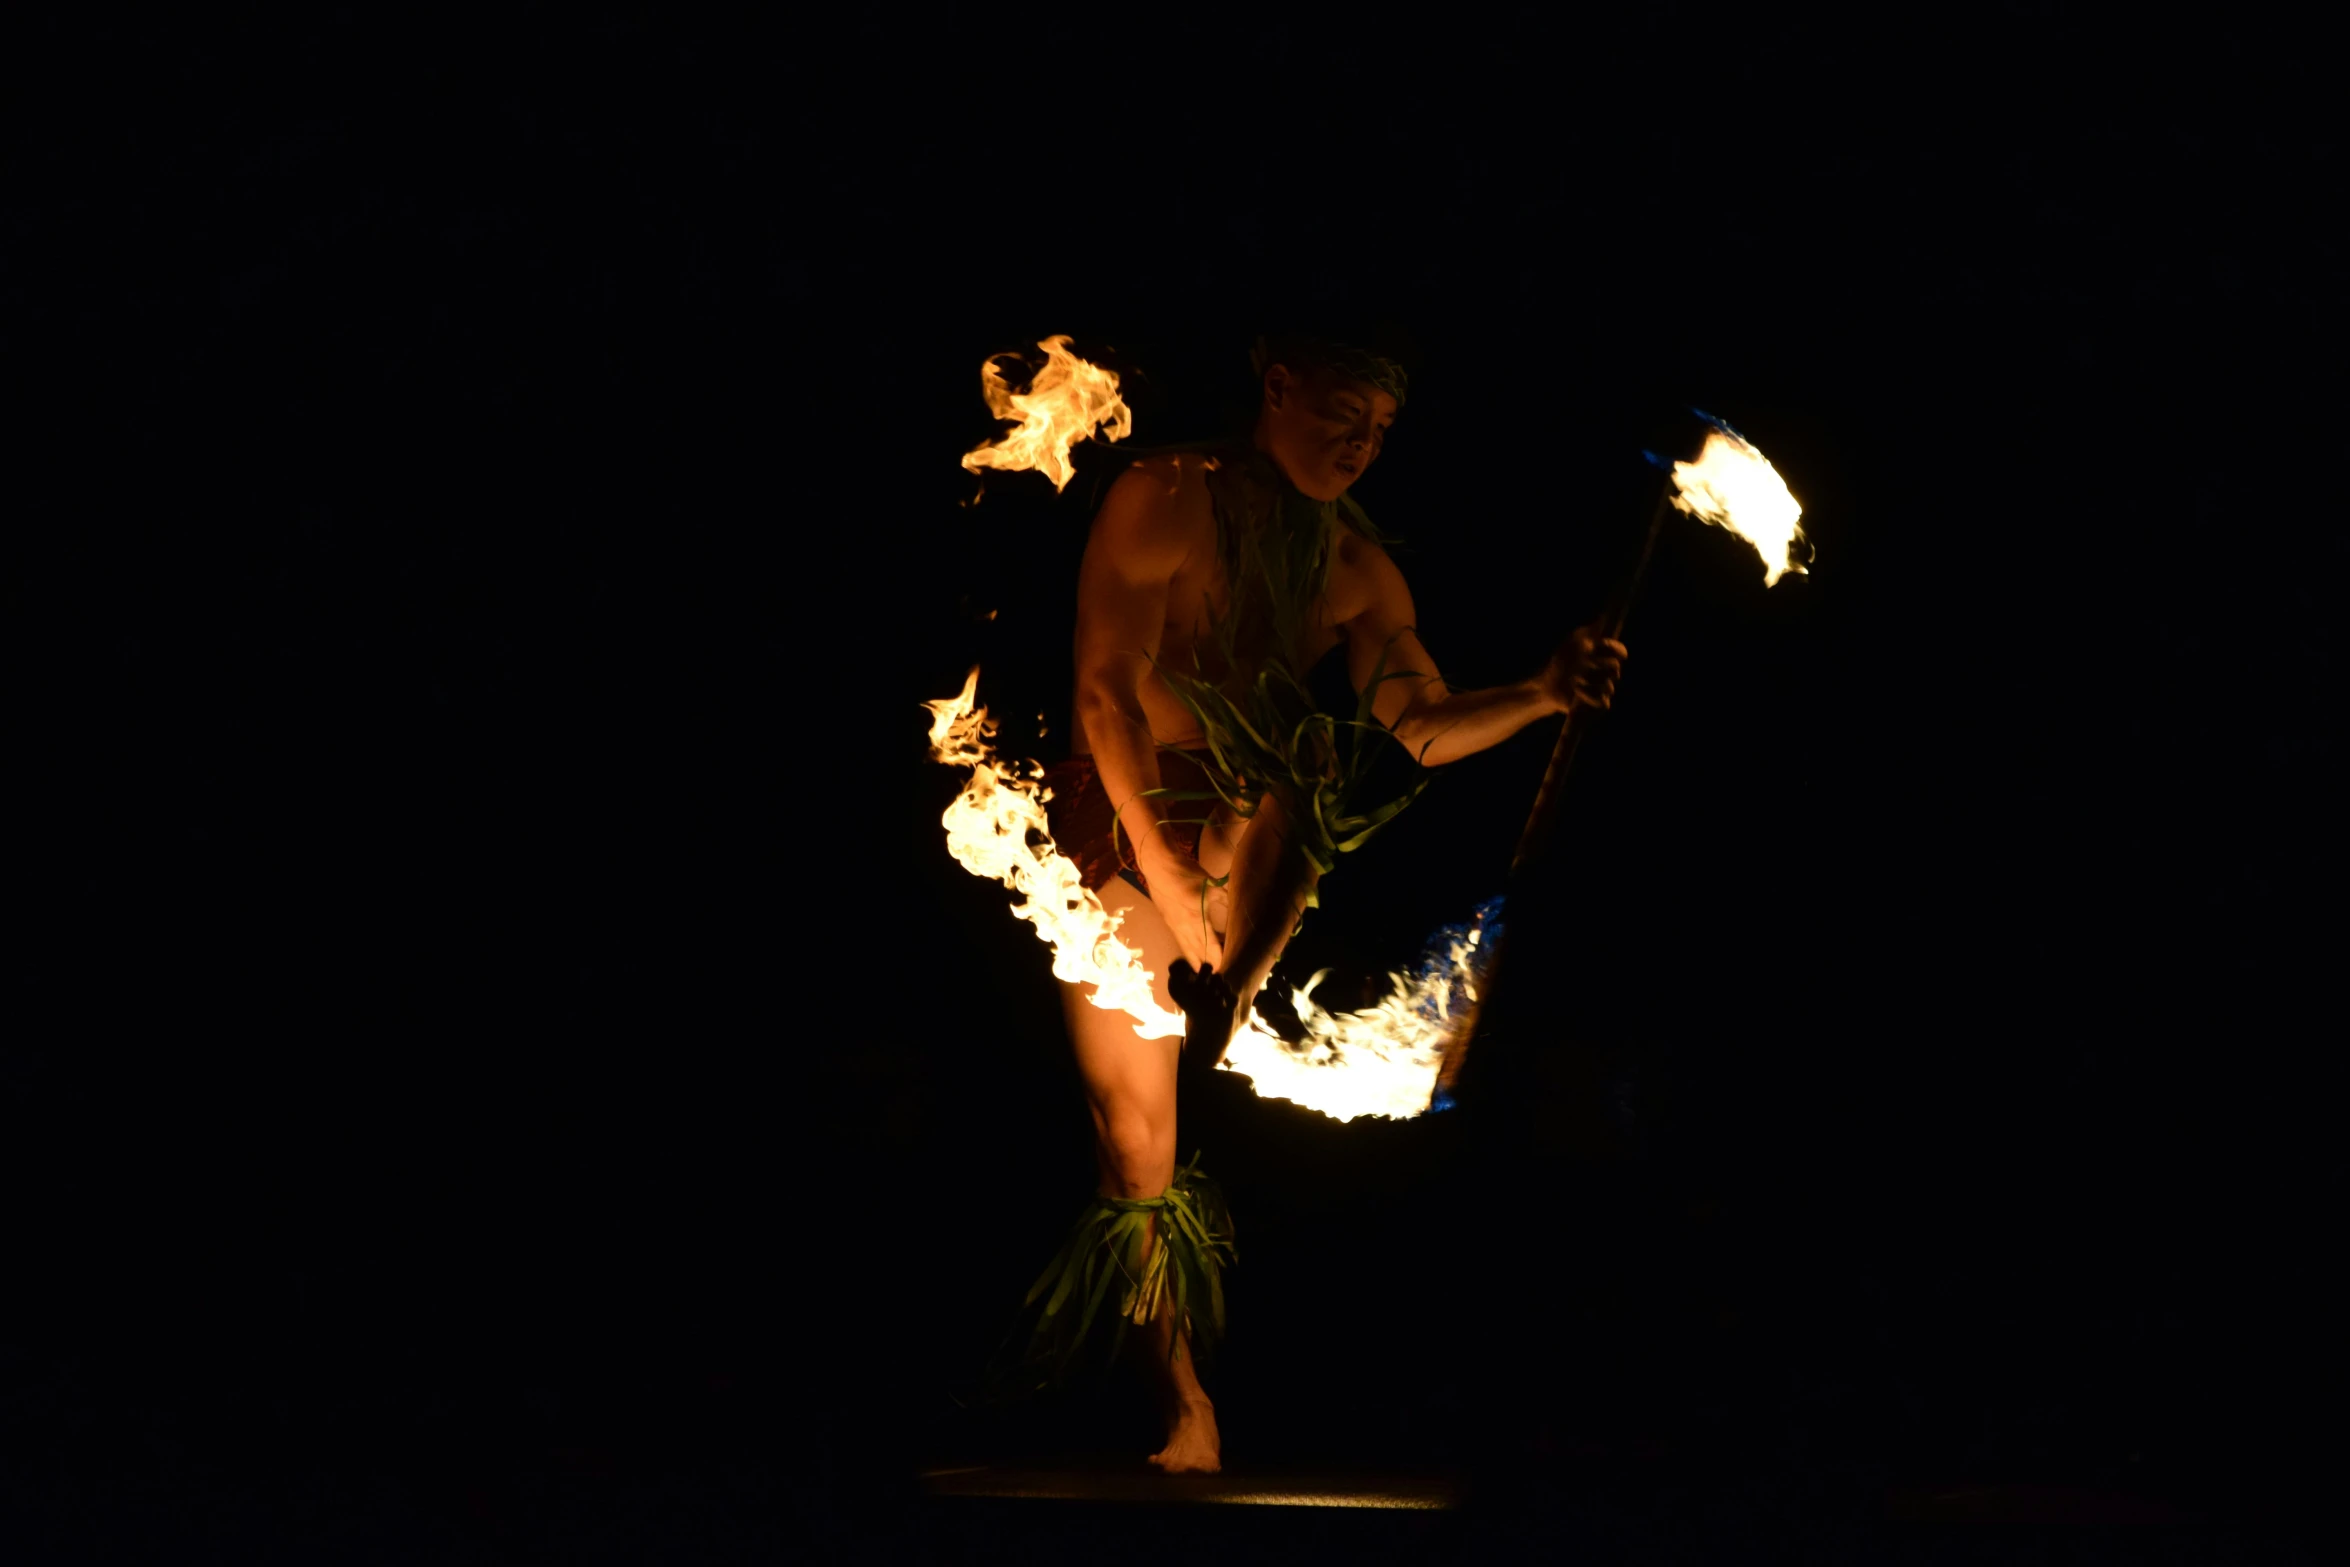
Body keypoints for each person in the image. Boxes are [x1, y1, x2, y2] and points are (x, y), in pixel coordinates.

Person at [1030, 333, 1625, 1473]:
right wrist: (1158, 876)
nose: (1358, 445)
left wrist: (1543, 693)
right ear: (1276, 387)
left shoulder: (1355, 568)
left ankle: (1235, 984)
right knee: (1133, 1144)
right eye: (1340, 413)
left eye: (1381, 432)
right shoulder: (1162, 496)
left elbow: (1420, 723)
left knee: (1301, 769)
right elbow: (1103, 696)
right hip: (1121, 812)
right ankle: (1180, 1400)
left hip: (1242, 840)